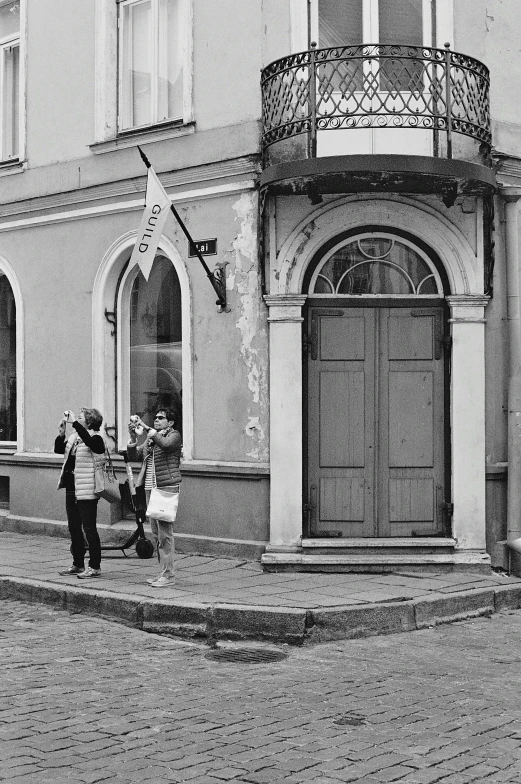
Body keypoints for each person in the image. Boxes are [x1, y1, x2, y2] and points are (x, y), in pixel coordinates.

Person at [127, 407, 182, 587]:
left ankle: (169, 576)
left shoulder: (174, 436)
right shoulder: (152, 439)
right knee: (157, 534)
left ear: (170, 422)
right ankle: (163, 573)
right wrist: (133, 437)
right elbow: (134, 456)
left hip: (166, 487)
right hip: (151, 489)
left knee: (165, 534)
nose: (156, 420)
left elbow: (165, 445)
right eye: (155, 418)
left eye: (161, 418)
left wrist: (145, 427)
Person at [55, 408, 106, 579]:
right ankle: (77, 563)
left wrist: (75, 424)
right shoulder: (74, 438)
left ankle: (95, 566)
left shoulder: (96, 438)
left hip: (87, 490)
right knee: (74, 528)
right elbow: (58, 450)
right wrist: (62, 434)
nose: (77, 419)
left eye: (81, 417)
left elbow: (95, 447)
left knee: (89, 528)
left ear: (89, 422)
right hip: (72, 488)